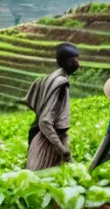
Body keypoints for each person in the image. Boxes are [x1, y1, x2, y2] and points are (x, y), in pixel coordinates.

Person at [24, 43, 80, 171]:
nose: (78, 63)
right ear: (66, 62)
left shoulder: (51, 78)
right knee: (43, 176)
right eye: (74, 60)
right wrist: (61, 149)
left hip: (44, 134)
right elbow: (45, 121)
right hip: (48, 139)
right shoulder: (60, 83)